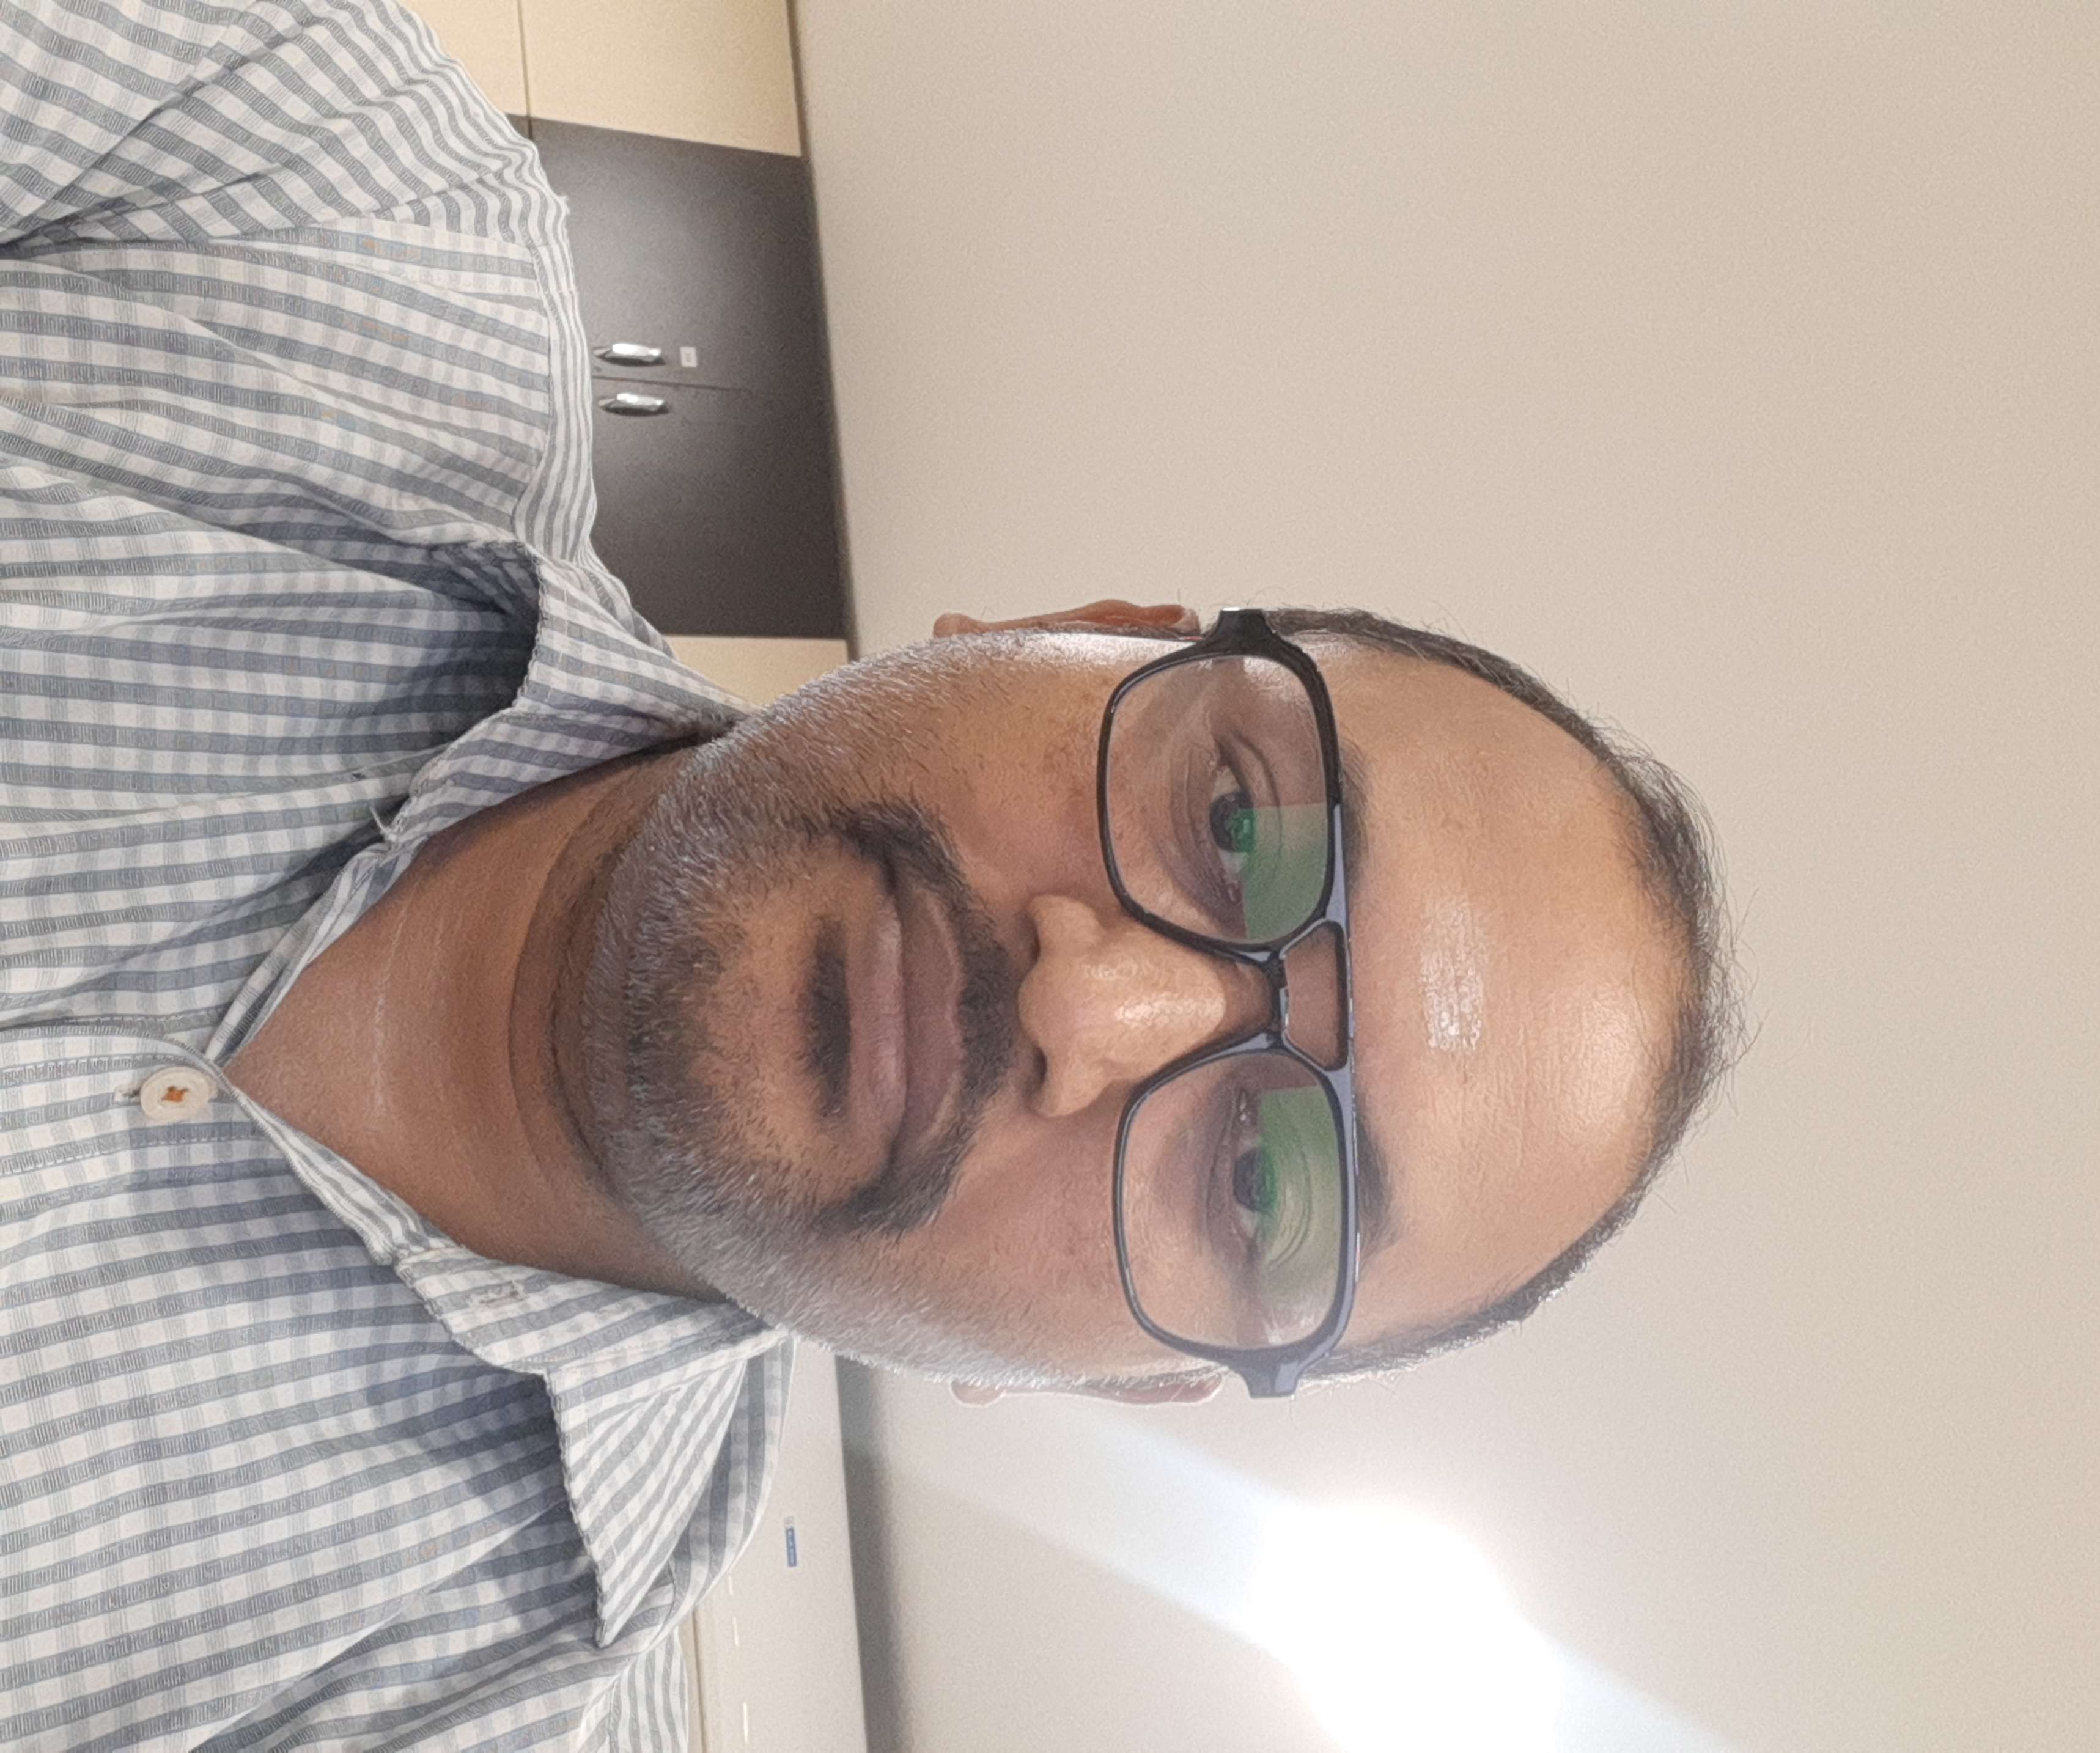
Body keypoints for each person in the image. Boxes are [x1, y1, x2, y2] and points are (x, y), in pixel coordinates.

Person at [0, 1, 1738, 1746]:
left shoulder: (456, 1710)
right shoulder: (310, 192)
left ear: (1124, 1378)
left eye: (1261, 1182)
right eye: (1236, 826)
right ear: (1069, 629)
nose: (1088, 1005)